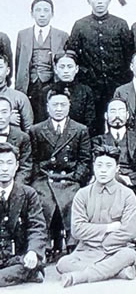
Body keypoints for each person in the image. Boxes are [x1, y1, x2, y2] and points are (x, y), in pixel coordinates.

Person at [56, 145, 136, 287]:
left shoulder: (127, 194)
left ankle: (81, 276)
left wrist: (101, 241)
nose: (103, 170)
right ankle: (117, 272)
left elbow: (129, 231)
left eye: (108, 166)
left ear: (117, 168)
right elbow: (77, 230)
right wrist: (108, 228)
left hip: (116, 250)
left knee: (129, 255)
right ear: (93, 166)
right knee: (63, 264)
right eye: (99, 165)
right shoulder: (82, 194)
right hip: (87, 251)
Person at [65, 0, 135, 135]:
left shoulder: (120, 24)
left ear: (109, 0)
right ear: (89, 1)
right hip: (91, 86)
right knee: (93, 125)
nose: (99, 1)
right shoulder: (80, 25)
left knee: (120, 121)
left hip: (117, 85)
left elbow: (129, 54)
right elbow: (72, 53)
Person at [30, 89, 91, 250]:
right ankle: (43, 246)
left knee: (74, 199)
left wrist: (77, 178)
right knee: (42, 200)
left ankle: (73, 245)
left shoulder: (80, 129)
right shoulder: (36, 130)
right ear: (47, 107)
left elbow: (85, 160)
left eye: (63, 105)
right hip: (45, 178)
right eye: (55, 105)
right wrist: (38, 177)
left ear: (69, 106)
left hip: (69, 179)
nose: (58, 109)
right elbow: (33, 160)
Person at [0, 143, 48, 287]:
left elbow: (37, 227)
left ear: (16, 166)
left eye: (9, 163)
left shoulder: (28, 194)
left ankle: (28, 272)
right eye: (0, 163)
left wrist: (33, 251)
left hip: (19, 258)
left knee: (28, 265)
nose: (4, 168)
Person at [15, 0, 68, 122]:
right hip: (30, 85)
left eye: (46, 10)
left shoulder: (62, 35)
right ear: (32, 13)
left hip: (51, 83)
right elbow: (18, 62)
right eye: (38, 10)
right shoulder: (23, 35)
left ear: (52, 14)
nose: (42, 14)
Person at [91, 99, 136, 196]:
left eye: (121, 111)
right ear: (106, 116)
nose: (117, 115)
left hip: (132, 186)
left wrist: (130, 178)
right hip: (106, 183)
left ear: (127, 115)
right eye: (113, 111)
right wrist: (118, 177)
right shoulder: (98, 141)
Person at [51, 51, 96, 135]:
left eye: (70, 67)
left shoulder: (85, 91)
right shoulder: (48, 91)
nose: (66, 71)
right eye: (62, 67)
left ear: (76, 69)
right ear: (55, 69)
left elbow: (90, 122)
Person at [0, 97, 32, 185]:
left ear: (11, 114)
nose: (0, 117)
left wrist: (13, 187)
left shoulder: (22, 137)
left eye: (4, 112)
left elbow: (25, 168)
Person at [0, 54, 33, 133]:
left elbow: (29, 129)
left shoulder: (19, 98)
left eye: (0, 67)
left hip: (12, 140)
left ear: (7, 71)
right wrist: (7, 118)